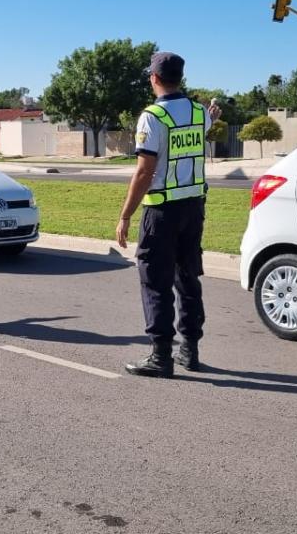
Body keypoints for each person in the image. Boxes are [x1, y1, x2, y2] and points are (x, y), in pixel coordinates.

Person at [117, 52, 219, 378]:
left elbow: (144, 171)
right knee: (188, 277)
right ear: (180, 77)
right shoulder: (198, 111)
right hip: (193, 207)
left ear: (154, 78)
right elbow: (198, 130)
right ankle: (190, 349)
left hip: (161, 211)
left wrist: (125, 216)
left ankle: (161, 356)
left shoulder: (152, 116)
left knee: (155, 281)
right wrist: (212, 117)